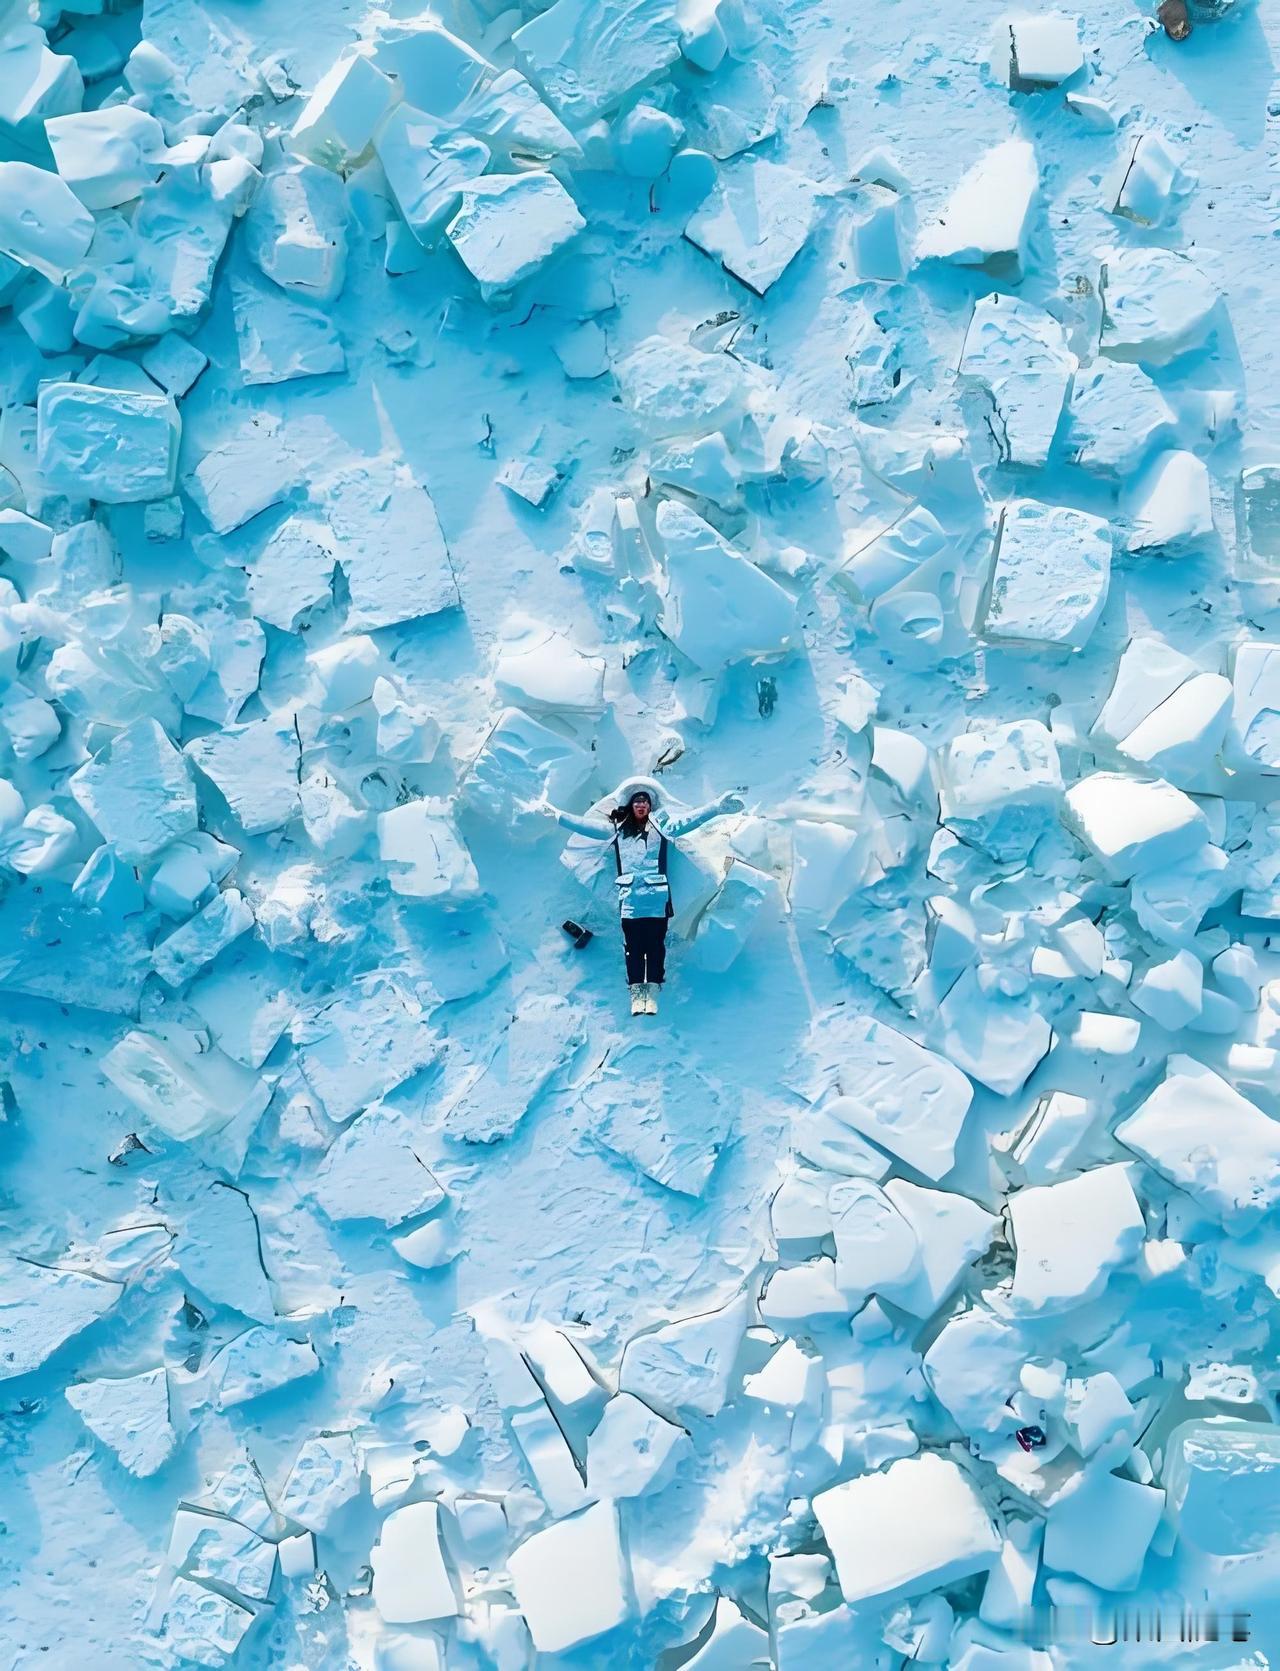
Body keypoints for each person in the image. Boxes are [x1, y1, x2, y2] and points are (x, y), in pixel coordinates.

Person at [538, 775, 745, 1015]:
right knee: (633, 948)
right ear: (630, 805)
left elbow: (689, 821)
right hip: (630, 902)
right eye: (637, 801)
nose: (641, 805)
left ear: (650, 806)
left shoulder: (662, 828)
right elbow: (587, 827)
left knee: (655, 947)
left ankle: (653, 993)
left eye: (645, 801)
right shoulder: (616, 831)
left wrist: (717, 807)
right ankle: (637, 995)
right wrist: (558, 816)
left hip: (657, 901)